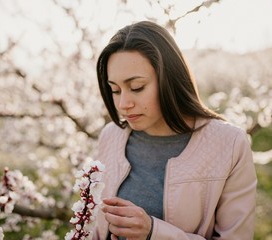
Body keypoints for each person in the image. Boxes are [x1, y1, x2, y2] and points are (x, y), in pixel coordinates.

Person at [93, 20, 257, 240]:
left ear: (169, 79)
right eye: (115, 90)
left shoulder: (230, 144)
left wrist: (154, 232)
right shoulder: (110, 136)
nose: (123, 104)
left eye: (136, 88)